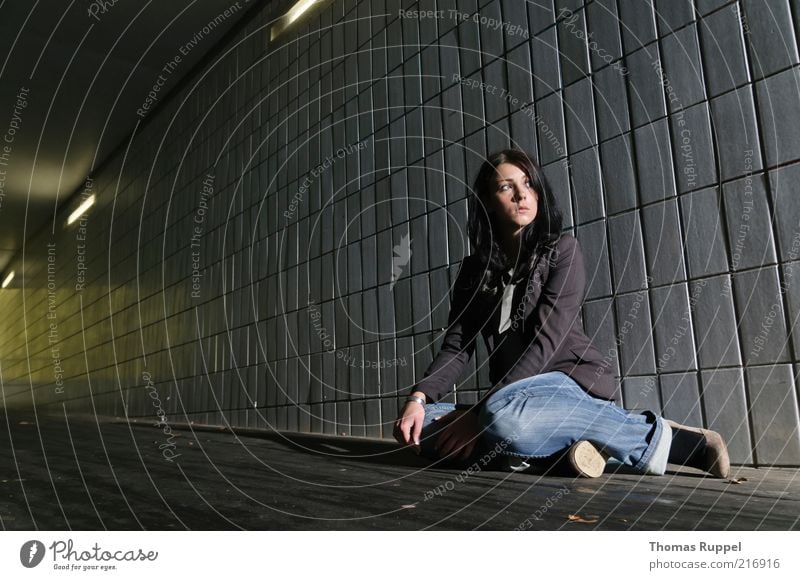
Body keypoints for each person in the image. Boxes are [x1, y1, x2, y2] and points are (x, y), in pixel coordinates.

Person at [393, 149, 730, 479]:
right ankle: (562, 454)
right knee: (422, 427)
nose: (522, 194)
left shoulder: (563, 252)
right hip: (515, 398)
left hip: (569, 383)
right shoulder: (473, 272)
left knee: (501, 420)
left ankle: (674, 441)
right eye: (505, 186)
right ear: (488, 203)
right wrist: (417, 399)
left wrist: (479, 415)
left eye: (528, 183)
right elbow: (457, 347)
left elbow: (545, 343)